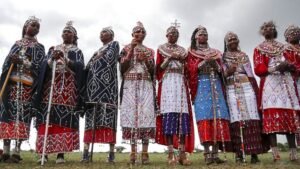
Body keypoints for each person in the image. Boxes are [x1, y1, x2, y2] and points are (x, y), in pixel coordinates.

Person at [35, 21, 85, 164]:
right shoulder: (53, 49)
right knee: (47, 119)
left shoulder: (77, 51)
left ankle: (60, 155)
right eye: (64, 31)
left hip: (68, 89)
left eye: (69, 32)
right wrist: (52, 58)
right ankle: (43, 154)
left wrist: (65, 59)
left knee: (64, 120)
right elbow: (45, 66)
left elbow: (80, 67)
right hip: (50, 88)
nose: (66, 33)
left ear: (74, 36)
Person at [0, 16, 45, 163]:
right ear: (26, 27)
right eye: (33, 25)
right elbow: (6, 64)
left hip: (27, 88)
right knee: (8, 116)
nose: (36, 29)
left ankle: (16, 152)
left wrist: (24, 62)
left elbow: (40, 68)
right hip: (12, 86)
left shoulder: (39, 48)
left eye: (38, 27)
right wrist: (10, 60)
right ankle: (5, 151)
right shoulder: (16, 44)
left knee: (22, 118)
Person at [253, 21, 300, 161]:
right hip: (270, 83)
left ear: (275, 31)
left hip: (286, 84)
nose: (269, 29)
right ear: (262, 31)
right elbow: (258, 69)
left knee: (289, 118)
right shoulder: (259, 49)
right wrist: (276, 68)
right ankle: (276, 155)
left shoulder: (285, 47)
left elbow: (295, 65)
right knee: (271, 117)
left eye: (271, 27)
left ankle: (293, 154)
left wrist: (289, 66)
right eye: (265, 28)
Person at [187, 25, 230, 165]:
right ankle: (207, 154)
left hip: (216, 84)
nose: (204, 36)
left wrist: (215, 65)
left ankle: (216, 153)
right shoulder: (191, 52)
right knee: (204, 117)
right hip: (201, 85)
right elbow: (190, 69)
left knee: (218, 116)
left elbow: (222, 70)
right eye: (201, 34)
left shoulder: (216, 52)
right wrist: (205, 61)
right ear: (195, 37)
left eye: (205, 34)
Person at [223, 32, 268, 163]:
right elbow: (223, 74)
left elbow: (250, 73)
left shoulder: (244, 55)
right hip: (232, 87)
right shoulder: (223, 56)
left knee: (251, 116)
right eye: (230, 40)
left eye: (235, 39)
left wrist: (255, 88)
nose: (232, 41)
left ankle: (254, 153)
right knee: (236, 117)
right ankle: (239, 153)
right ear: (226, 42)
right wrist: (227, 72)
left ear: (238, 41)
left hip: (247, 85)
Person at [155, 25, 194, 166]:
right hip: (167, 83)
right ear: (166, 35)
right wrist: (170, 57)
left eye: (175, 33)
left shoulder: (183, 51)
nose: (173, 35)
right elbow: (159, 68)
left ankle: (182, 154)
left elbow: (188, 68)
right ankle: (170, 154)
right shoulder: (161, 48)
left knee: (182, 118)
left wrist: (182, 60)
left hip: (180, 83)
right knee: (169, 117)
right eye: (170, 33)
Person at [119, 22, 156, 165]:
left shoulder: (149, 51)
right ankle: (133, 153)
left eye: (142, 32)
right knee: (131, 116)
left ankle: (145, 153)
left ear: (145, 35)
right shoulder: (125, 49)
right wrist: (131, 51)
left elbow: (153, 71)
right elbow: (122, 68)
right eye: (136, 31)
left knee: (145, 115)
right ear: (132, 34)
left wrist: (145, 60)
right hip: (130, 84)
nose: (139, 33)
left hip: (145, 85)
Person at [81, 27, 119, 163]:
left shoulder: (114, 45)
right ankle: (85, 153)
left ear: (111, 35)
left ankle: (111, 155)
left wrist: (97, 58)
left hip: (108, 91)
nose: (102, 34)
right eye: (100, 32)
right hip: (93, 91)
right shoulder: (97, 51)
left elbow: (110, 59)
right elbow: (88, 67)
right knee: (91, 120)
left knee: (109, 119)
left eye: (105, 32)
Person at [283, 25, 300, 156]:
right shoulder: (284, 50)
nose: (294, 34)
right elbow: (288, 65)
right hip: (292, 83)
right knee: (295, 114)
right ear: (286, 37)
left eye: (297, 32)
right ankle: (294, 149)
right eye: (291, 33)